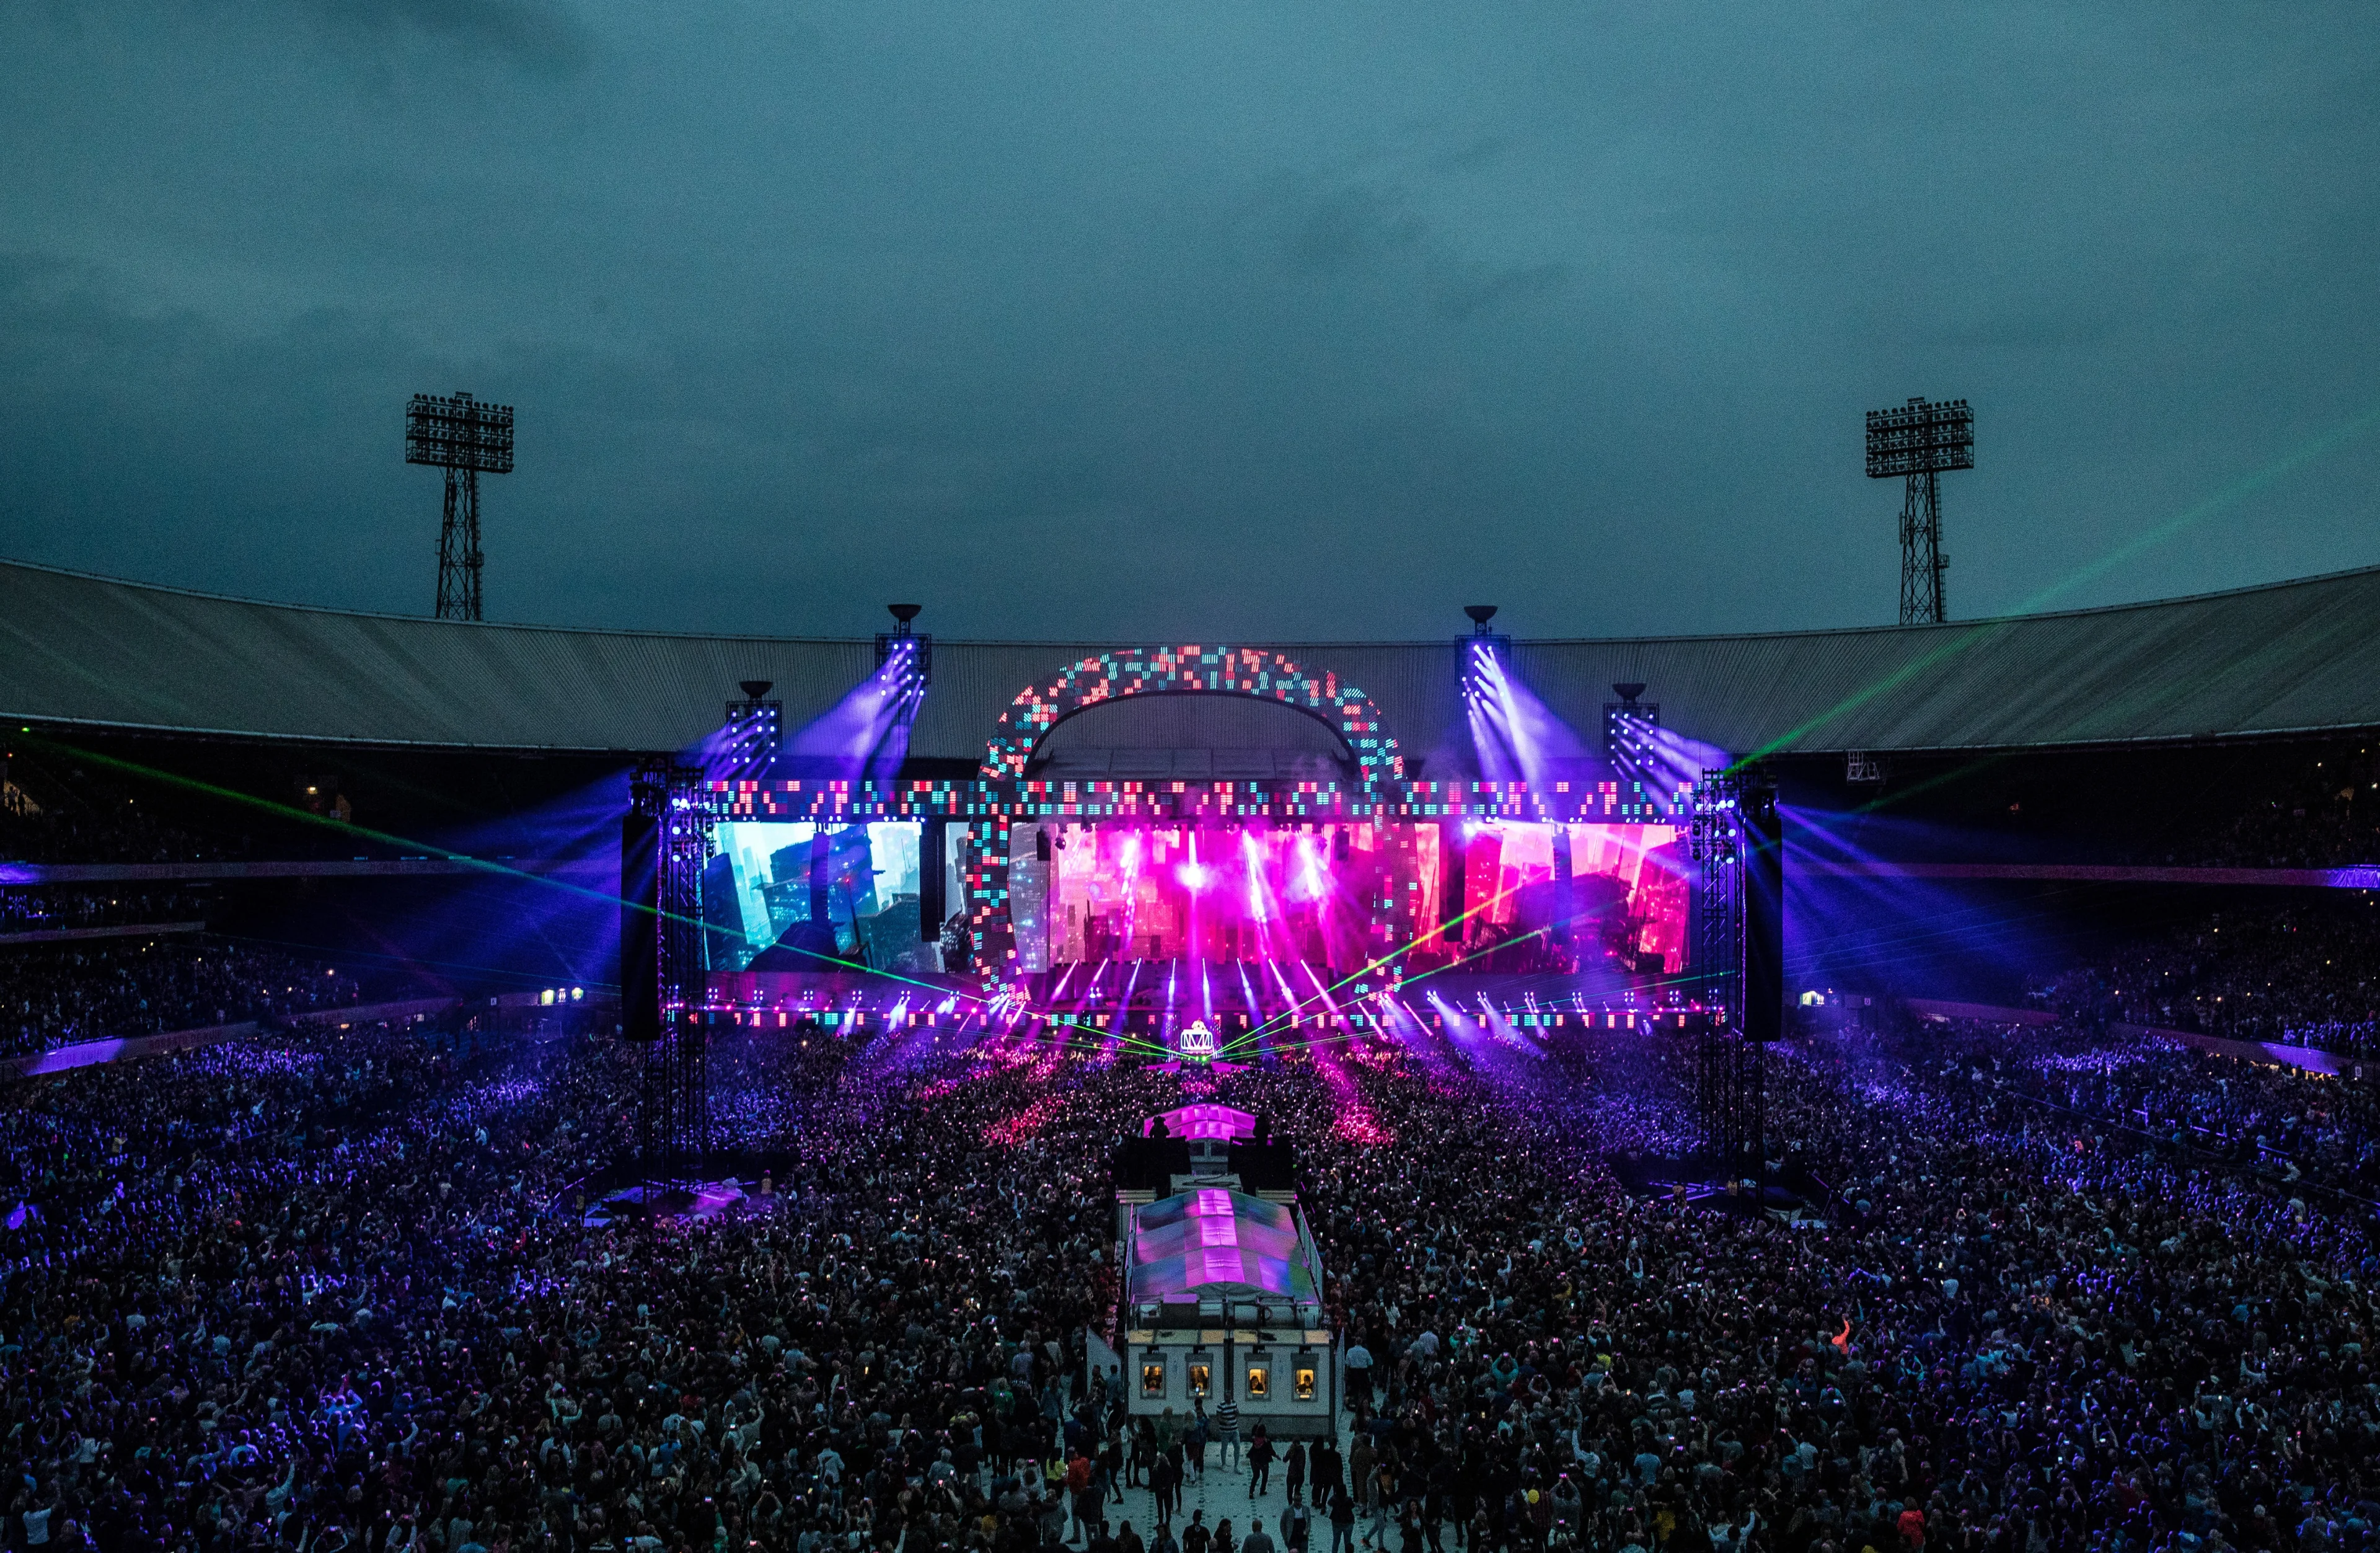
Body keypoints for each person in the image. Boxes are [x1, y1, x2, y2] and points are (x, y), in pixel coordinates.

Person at [1248, 1428, 1276, 1497]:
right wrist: (1276, 1455)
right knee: (1265, 1475)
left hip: (1254, 1461)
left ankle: (1251, 1492)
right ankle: (1262, 1490)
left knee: (1256, 1476)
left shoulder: (1254, 1440)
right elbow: (1271, 1451)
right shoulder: (1266, 1442)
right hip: (1264, 1461)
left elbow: (1253, 1430)